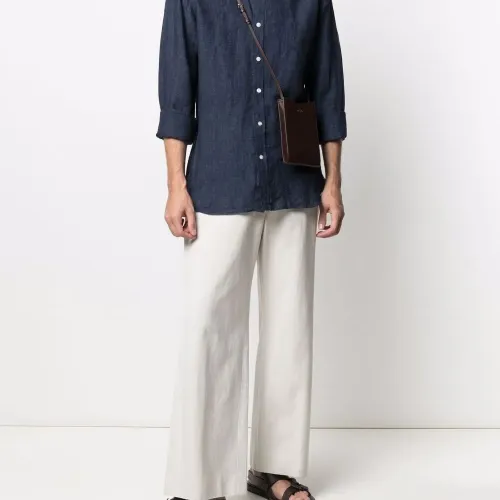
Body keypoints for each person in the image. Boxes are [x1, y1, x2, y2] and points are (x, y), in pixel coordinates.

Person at [156, 0, 346, 499]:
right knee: (209, 328)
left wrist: (333, 182)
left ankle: (274, 469)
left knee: (289, 327)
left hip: (294, 182)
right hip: (220, 181)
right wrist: (176, 185)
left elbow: (328, 89)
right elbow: (176, 95)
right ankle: (200, 481)